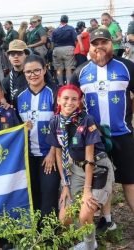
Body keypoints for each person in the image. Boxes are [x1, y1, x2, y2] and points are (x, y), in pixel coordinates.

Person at [70, 28, 134, 216]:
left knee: (129, 181)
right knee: (101, 178)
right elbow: (69, 99)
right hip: (94, 140)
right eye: (95, 44)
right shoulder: (80, 72)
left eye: (103, 42)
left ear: (110, 44)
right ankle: (107, 221)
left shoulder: (127, 67)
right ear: (88, 47)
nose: (99, 47)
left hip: (123, 135)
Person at [47, 84, 114, 250]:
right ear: (58, 100)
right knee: (64, 218)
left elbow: (90, 160)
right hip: (76, 169)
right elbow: (57, 154)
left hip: (97, 168)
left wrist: (86, 191)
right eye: (66, 98)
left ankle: (90, 245)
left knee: (85, 213)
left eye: (74, 99)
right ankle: (82, 237)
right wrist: (65, 185)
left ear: (79, 102)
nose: (70, 102)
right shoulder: (55, 121)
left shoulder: (86, 120)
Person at [14, 54, 59, 216]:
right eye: (28, 72)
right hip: (27, 156)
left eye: (36, 71)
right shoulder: (18, 96)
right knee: (32, 194)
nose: (32, 75)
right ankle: (34, 231)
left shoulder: (55, 93)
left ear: (45, 69)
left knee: (49, 194)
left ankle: (48, 237)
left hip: (50, 154)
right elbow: (15, 125)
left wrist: (53, 153)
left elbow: (60, 126)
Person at [2, 40, 54, 104]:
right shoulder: (7, 81)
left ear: (26, 55)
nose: (16, 56)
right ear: (9, 57)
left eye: (19, 53)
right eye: (12, 54)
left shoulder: (39, 73)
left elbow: (52, 90)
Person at [51, 15, 77, 85]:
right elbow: (75, 40)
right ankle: (68, 84)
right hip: (69, 48)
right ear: (67, 21)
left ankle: (60, 84)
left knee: (59, 68)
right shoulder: (71, 28)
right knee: (69, 68)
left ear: (60, 20)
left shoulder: (55, 30)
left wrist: (53, 50)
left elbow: (52, 42)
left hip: (57, 49)